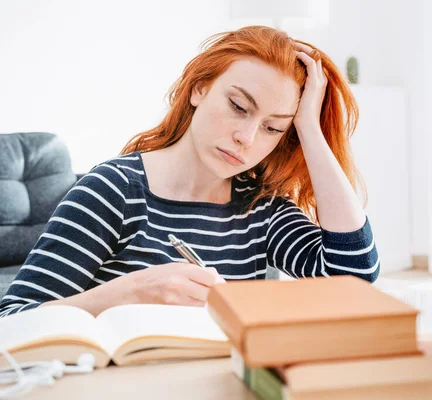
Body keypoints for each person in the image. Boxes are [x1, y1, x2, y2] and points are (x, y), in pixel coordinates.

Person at [0, 26, 380, 318]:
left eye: (273, 128)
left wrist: (311, 131)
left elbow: (354, 282)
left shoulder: (261, 209)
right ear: (199, 89)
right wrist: (125, 294)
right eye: (238, 106)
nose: (246, 137)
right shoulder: (114, 190)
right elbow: (13, 321)